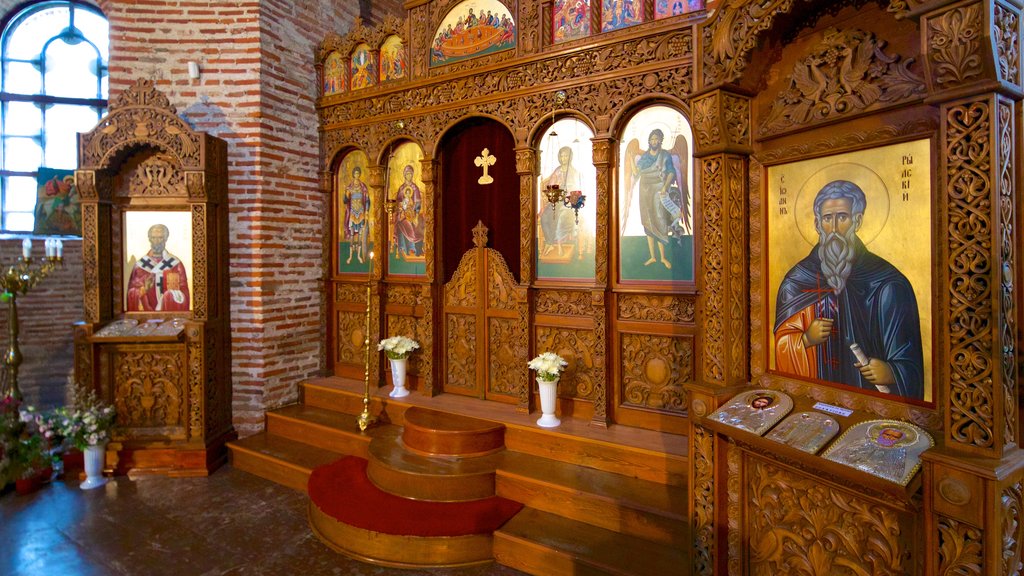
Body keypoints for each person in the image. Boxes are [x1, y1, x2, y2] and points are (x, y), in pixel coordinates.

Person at [773, 180, 924, 399]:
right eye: (827, 219)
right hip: (816, 400)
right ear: (817, 224)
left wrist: (892, 372)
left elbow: (911, 362)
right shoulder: (797, 281)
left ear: (857, 220)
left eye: (842, 217)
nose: (834, 229)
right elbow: (781, 347)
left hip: (870, 404)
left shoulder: (888, 283)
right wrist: (806, 339)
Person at [627, 129, 688, 269]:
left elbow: (671, 172)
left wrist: (665, 187)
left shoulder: (665, 155)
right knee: (647, 221)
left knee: (660, 220)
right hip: (645, 190)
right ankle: (653, 257)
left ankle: (663, 258)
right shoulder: (645, 157)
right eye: (652, 139)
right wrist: (631, 159)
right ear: (649, 141)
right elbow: (636, 173)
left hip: (659, 190)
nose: (654, 141)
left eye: (657, 139)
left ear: (660, 140)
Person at [126, 224, 190, 312]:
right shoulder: (140, 265)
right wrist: (144, 289)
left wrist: (171, 295)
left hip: (169, 315)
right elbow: (131, 293)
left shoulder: (175, 264)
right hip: (146, 316)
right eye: (153, 237)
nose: (156, 241)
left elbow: (184, 292)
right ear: (149, 239)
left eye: (160, 238)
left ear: (165, 239)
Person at [539, 146, 583, 258]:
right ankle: (550, 243)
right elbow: (551, 186)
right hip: (556, 201)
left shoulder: (574, 172)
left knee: (561, 218)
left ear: (570, 157)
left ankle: (558, 245)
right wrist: (554, 191)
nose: (564, 158)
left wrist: (569, 199)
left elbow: (577, 190)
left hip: (568, 203)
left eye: (566, 156)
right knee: (544, 217)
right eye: (562, 156)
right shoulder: (557, 171)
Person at [393, 165, 424, 259]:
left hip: (413, 213)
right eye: (407, 174)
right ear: (404, 175)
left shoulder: (415, 188)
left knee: (410, 223)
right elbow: (398, 202)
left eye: (410, 174)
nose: (409, 176)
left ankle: (412, 248)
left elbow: (418, 203)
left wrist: (415, 215)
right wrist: (401, 208)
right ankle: (402, 247)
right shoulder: (401, 188)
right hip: (402, 213)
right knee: (401, 222)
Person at [343, 166, 370, 264]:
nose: (357, 175)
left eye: (358, 173)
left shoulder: (363, 187)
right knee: (352, 235)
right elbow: (345, 201)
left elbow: (367, 200)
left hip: (361, 213)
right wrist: (346, 194)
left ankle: (358, 256)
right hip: (353, 212)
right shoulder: (349, 187)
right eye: (355, 173)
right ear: (353, 175)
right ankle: (350, 256)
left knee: (359, 235)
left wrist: (367, 211)